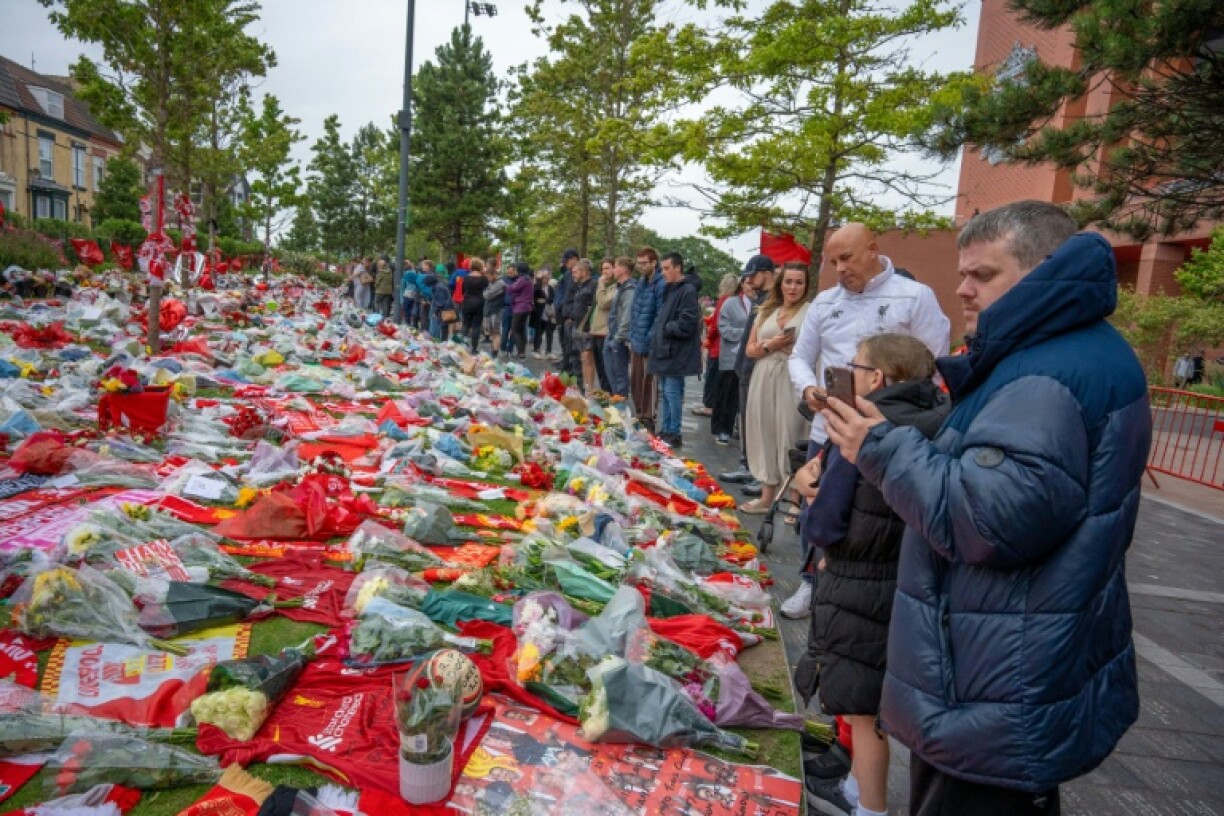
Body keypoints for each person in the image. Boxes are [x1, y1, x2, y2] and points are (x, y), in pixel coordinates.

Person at [823, 200, 1149, 816]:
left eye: (984, 274)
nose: (963, 289)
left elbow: (987, 519)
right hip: (1008, 656)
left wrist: (883, 449)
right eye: (962, 273)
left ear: (1042, 270)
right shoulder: (1064, 351)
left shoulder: (1047, 372)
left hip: (995, 670)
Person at [794, 334, 949, 816]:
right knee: (873, 701)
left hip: (859, 582)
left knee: (863, 710)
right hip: (901, 578)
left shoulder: (863, 430)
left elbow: (826, 521)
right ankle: (855, 790)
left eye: (855, 367)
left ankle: (870, 806)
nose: (848, 374)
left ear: (876, 377)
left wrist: (807, 492)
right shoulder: (934, 421)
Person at [783, 223, 950, 620]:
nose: (840, 269)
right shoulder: (825, 303)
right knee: (818, 504)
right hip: (829, 427)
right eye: (833, 262)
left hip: (888, 433)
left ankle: (879, 593)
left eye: (847, 258)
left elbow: (934, 364)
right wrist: (809, 389)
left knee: (874, 520)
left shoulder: (914, 296)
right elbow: (800, 357)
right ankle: (811, 581)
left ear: (873, 249)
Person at [740, 262, 814, 515]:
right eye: (788, 281)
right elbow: (750, 350)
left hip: (792, 376)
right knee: (764, 431)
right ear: (780, 284)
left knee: (791, 432)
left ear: (806, 286)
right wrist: (770, 344)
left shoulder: (811, 312)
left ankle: (794, 500)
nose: (793, 287)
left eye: (799, 282)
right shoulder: (766, 310)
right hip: (764, 373)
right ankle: (766, 497)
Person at [719, 255, 777, 492]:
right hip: (746, 365)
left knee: (760, 422)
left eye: (753, 275)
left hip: (759, 367)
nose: (749, 280)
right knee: (747, 420)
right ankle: (747, 464)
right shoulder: (760, 299)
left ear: (766, 273)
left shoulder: (774, 300)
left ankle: (760, 472)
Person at [647, 252, 701, 448]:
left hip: (676, 352)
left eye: (667, 268)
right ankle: (667, 429)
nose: (663, 272)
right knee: (666, 392)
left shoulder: (687, 290)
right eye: (662, 269)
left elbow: (687, 322)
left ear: (678, 268)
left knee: (672, 392)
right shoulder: (672, 289)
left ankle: (674, 432)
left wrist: (666, 328)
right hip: (666, 350)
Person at [628, 246, 665, 432]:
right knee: (636, 380)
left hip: (649, 342)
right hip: (636, 339)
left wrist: (649, 337)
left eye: (644, 263)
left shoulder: (660, 284)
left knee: (649, 382)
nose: (641, 267)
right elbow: (634, 310)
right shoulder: (641, 283)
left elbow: (660, 315)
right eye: (639, 263)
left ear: (654, 262)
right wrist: (632, 334)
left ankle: (649, 417)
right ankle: (639, 414)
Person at [708, 274, 740, 444]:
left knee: (722, 391)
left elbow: (716, 324)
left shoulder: (725, 301)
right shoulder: (733, 302)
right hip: (727, 350)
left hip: (720, 350)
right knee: (727, 392)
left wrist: (708, 339)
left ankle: (720, 426)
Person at [602, 257, 638, 397]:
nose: (613, 270)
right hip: (611, 335)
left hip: (619, 338)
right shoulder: (619, 287)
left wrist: (618, 337)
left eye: (615, 267)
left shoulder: (630, 289)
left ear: (623, 270)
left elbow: (627, 316)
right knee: (610, 372)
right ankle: (616, 399)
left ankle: (620, 403)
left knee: (619, 375)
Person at [561, 259, 597, 388]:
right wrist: (571, 316)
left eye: (575, 272)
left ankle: (590, 388)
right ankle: (585, 387)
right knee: (581, 358)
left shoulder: (593, 285)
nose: (573, 275)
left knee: (587, 358)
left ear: (584, 272)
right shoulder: (579, 286)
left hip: (587, 328)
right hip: (577, 326)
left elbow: (595, 306)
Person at [587, 259, 617, 393]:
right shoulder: (604, 286)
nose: (604, 272)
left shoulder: (615, 287)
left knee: (606, 369)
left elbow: (604, 302)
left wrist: (600, 284)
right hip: (596, 331)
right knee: (599, 367)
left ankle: (610, 395)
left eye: (608, 268)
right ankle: (604, 394)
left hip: (605, 332)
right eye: (603, 269)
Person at [554, 249, 580, 365]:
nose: (565, 263)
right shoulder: (566, 274)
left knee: (570, 343)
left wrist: (570, 314)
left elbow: (573, 295)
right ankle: (565, 362)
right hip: (561, 310)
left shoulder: (575, 274)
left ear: (574, 259)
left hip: (568, 313)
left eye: (567, 261)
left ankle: (569, 365)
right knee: (563, 340)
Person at [506, 262, 535, 360]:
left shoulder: (523, 279)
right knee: (521, 331)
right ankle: (522, 353)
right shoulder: (529, 279)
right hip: (526, 307)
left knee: (515, 331)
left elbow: (513, 288)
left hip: (520, 307)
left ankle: (521, 354)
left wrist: (504, 285)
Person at [460, 258, 489, 350]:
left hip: (467, 302)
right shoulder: (483, 278)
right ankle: (474, 348)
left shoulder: (466, 278)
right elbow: (487, 289)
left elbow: (462, 291)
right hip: (479, 302)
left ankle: (462, 346)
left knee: (465, 324)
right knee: (476, 326)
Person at [532, 272, 558, 358]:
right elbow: (534, 296)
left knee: (549, 331)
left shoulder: (550, 288)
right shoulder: (537, 287)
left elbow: (552, 299)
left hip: (548, 313)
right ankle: (536, 349)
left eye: (547, 278)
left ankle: (549, 351)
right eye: (544, 278)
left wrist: (544, 300)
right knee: (539, 332)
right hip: (539, 313)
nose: (546, 280)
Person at [482, 265, 506, 357]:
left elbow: (487, 295)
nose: (487, 278)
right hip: (489, 310)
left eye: (489, 276)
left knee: (495, 332)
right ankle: (493, 351)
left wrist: (485, 292)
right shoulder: (491, 283)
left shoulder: (500, 283)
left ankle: (495, 353)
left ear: (494, 275)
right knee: (491, 332)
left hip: (495, 311)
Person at [427, 269, 457, 341]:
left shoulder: (438, 288)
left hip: (443, 310)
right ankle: (442, 340)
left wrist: (435, 312)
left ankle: (438, 340)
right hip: (445, 309)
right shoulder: (438, 286)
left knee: (437, 327)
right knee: (443, 327)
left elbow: (440, 302)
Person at [400, 261, 419, 327]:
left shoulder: (405, 276)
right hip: (414, 295)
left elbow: (402, 288)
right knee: (413, 310)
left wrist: (401, 299)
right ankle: (414, 324)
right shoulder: (415, 275)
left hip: (407, 295)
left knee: (407, 311)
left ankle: (407, 323)